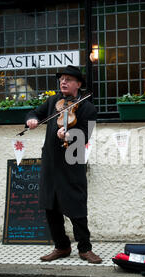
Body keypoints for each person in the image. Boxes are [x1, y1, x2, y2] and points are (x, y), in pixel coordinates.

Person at [25, 65, 102, 264]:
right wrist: (32, 119)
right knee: (50, 206)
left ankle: (85, 248)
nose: (63, 82)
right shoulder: (53, 102)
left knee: (76, 206)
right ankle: (61, 246)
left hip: (72, 162)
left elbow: (87, 134)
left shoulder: (88, 108)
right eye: (61, 79)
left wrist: (71, 135)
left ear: (78, 84)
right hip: (51, 161)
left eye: (68, 79)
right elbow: (35, 113)